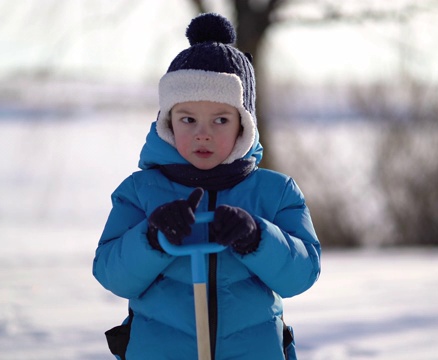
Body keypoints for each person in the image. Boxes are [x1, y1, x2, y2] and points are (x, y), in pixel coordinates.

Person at [93, 12, 321, 360]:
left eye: (220, 119)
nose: (203, 133)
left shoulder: (276, 193)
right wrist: (153, 237)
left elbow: (300, 275)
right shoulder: (140, 192)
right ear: (168, 122)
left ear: (244, 125)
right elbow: (113, 274)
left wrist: (258, 237)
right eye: (188, 119)